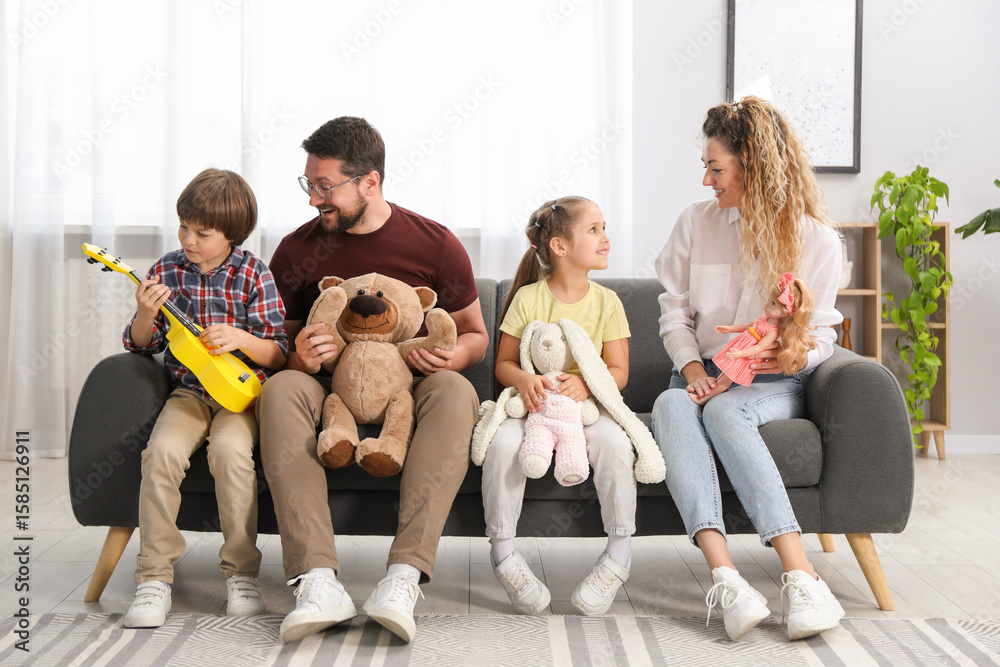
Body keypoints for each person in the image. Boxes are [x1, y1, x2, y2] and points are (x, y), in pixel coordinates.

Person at [261, 117, 488, 644]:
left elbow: (476, 335)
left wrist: (449, 357)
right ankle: (317, 580)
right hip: (327, 385)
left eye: (325, 186)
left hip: (411, 383)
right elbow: (276, 349)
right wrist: (297, 358)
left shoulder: (435, 244)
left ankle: (404, 577)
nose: (315, 199)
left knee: (456, 391)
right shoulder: (297, 251)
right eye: (309, 185)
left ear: (370, 181)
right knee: (281, 389)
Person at [650, 96, 846, 641]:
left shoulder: (816, 240)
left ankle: (801, 577)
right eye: (707, 167)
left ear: (752, 165)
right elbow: (673, 310)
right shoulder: (696, 223)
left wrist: (784, 349)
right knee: (670, 404)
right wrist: (693, 374)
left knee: (726, 415)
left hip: (773, 380)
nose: (708, 179)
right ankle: (727, 580)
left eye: (717, 168)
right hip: (701, 371)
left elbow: (822, 336)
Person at [121, 168, 288, 628]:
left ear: (231, 234)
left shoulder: (253, 273)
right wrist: (144, 312)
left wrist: (240, 338)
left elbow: (277, 352)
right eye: (183, 227)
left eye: (202, 232)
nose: (188, 239)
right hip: (189, 393)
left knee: (232, 454)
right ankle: (153, 577)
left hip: (239, 398)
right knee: (160, 455)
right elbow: (142, 344)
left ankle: (240, 573)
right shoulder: (167, 270)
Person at [481, 196, 635, 616]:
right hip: (532, 411)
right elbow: (504, 364)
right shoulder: (529, 298)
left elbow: (618, 372)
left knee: (617, 447)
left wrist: (587, 383)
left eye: (604, 228)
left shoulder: (608, 302)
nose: (606, 238)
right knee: (500, 447)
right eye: (594, 230)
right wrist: (525, 379)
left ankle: (618, 557)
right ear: (560, 247)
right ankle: (504, 556)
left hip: (588, 409)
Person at [695, 273, 815, 404]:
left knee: (727, 379)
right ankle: (714, 391)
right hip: (742, 347)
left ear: (785, 312)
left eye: (773, 303)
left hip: (746, 355)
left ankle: (705, 398)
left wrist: (740, 354)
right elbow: (747, 326)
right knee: (723, 374)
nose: (766, 305)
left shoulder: (773, 332)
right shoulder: (764, 319)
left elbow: (759, 347)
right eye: (769, 300)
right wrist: (729, 329)